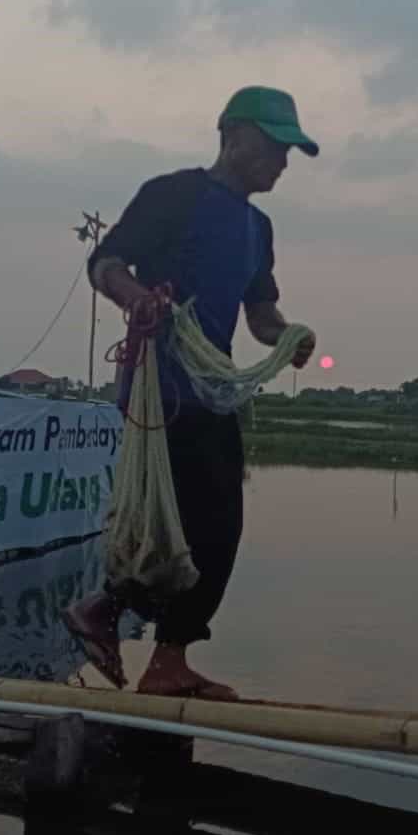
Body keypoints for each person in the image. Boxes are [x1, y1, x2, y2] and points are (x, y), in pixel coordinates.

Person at [63, 86, 318, 700]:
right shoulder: (172, 195)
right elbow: (107, 265)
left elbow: (260, 313)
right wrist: (136, 299)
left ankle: (122, 623)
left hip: (213, 390)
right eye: (274, 146)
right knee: (180, 521)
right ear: (232, 135)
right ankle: (151, 649)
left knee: (210, 529)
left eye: (289, 151)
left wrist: (288, 337)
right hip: (163, 390)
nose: (282, 161)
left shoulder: (259, 227)